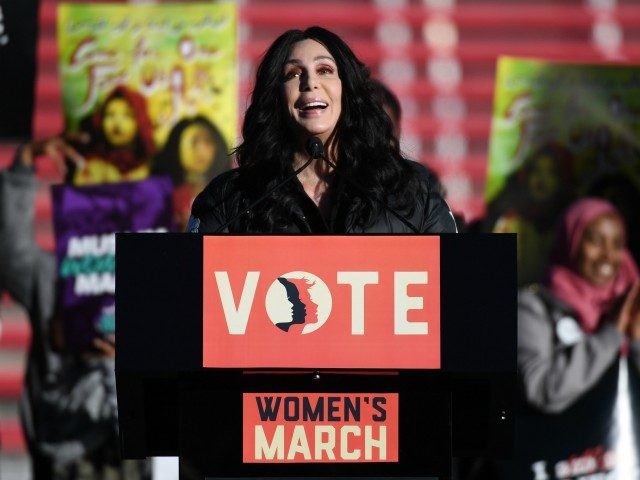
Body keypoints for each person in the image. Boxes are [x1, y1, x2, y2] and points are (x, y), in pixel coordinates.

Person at [188, 26, 457, 234]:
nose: (310, 83)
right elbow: (189, 287)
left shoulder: (411, 190)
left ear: (348, 91)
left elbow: (457, 282)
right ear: (276, 97)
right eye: (292, 74)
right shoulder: (229, 199)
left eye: (325, 70)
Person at [0, 137, 150, 479]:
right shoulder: (52, 276)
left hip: (131, 452)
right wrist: (24, 163)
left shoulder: (153, 272)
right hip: (64, 449)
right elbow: (10, 255)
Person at [518, 197, 640, 414]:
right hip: (563, 446)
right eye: (595, 241)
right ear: (571, 241)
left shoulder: (631, 303)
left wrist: (636, 343)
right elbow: (542, 390)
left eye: (617, 244)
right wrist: (610, 335)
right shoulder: (533, 308)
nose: (608, 256)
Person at [153, 116, 230, 229]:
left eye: (207, 142)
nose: (200, 150)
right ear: (176, 146)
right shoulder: (160, 196)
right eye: (194, 142)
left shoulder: (225, 194)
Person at [73, 85, 156, 186]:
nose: (117, 123)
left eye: (127, 115)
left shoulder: (152, 167)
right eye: (110, 114)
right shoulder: (91, 166)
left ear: (141, 122)